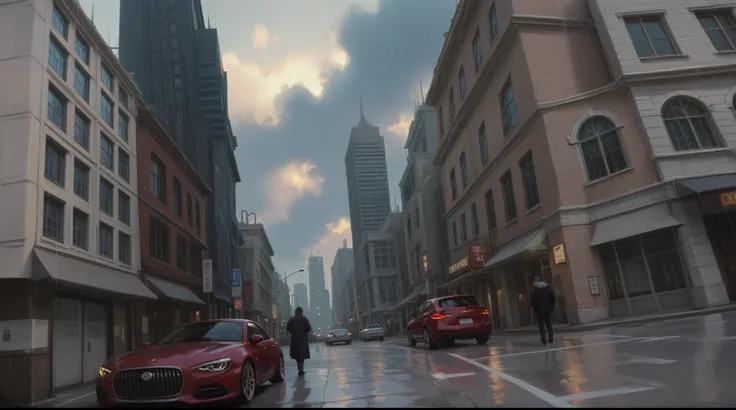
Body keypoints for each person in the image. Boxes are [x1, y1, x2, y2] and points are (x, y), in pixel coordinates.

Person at [530, 276, 556, 345]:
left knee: (541, 325)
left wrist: (535, 310)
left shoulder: (534, 291)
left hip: (539, 311)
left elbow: (532, 302)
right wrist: (551, 308)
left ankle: (544, 339)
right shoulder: (547, 289)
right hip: (548, 310)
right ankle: (551, 338)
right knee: (549, 324)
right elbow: (553, 299)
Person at [285, 306, 312, 376]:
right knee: (302, 355)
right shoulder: (304, 319)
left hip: (294, 339)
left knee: (297, 355)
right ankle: (301, 368)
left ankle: (299, 368)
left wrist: (292, 332)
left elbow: (287, 328)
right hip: (303, 339)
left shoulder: (291, 319)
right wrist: (304, 332)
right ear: (301, 311)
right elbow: (309, 328)